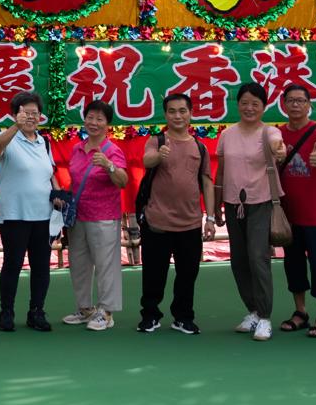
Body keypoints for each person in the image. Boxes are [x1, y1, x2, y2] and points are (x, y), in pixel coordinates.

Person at [138, 91, 216, 335]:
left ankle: (183, 317)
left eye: (182, 111)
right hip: (157, 221)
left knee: (187, 275)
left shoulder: (200, 147)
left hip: (191, 223)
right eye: (172, 111)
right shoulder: (157, 141)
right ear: (165, 114)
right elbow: (146, 160)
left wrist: (210, 218)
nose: (178, 116)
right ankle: (150, 316)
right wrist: (158, 156)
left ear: (191, 114)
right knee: (153, 274)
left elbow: (206, 182)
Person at [215, 82, 284, 340]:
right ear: (238, 105)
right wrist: (216, 206)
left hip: (261, 201)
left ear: (264, 107)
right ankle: (253, 311)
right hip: (233, 204)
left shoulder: (270, 132)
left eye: (255, 103)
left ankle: (265, 316)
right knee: (239, 260)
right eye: (244, 102)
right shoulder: (227, 134)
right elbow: (220, 172)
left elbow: (279, 147)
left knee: (258, 257)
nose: (249, 108)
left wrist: (280, 150)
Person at [275, 83, 316, 338]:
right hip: (289, 216)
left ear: (309, 104)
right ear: (284, 104)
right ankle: (300, 311)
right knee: (294, 265)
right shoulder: (277, 134)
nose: (296, 105)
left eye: (301, 100)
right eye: (291, 100)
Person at [0, 92, 55, 332]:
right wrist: (14, 127)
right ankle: (6, 311)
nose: (31, 117)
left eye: (35, 113)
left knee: (41, 266)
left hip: (43, 214)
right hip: (14, 214)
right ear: (15, 114)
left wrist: (58, 195)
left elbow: (50, 172)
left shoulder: (44, 142)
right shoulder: (7, 139)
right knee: (13, 263)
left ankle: (36, 311)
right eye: (25, 112)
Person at [61, 101, 128, 331]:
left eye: (100, 119)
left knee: (105, 264)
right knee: (78, 264)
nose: (94, 123)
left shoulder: (113, 151)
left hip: (103, 216)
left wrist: (109, 166)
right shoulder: (77, 148)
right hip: (78, 216)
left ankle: (106, 312)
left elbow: (123, 181)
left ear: (107, 124)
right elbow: (75, 181)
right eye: (90, 117)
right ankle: (85, 308)